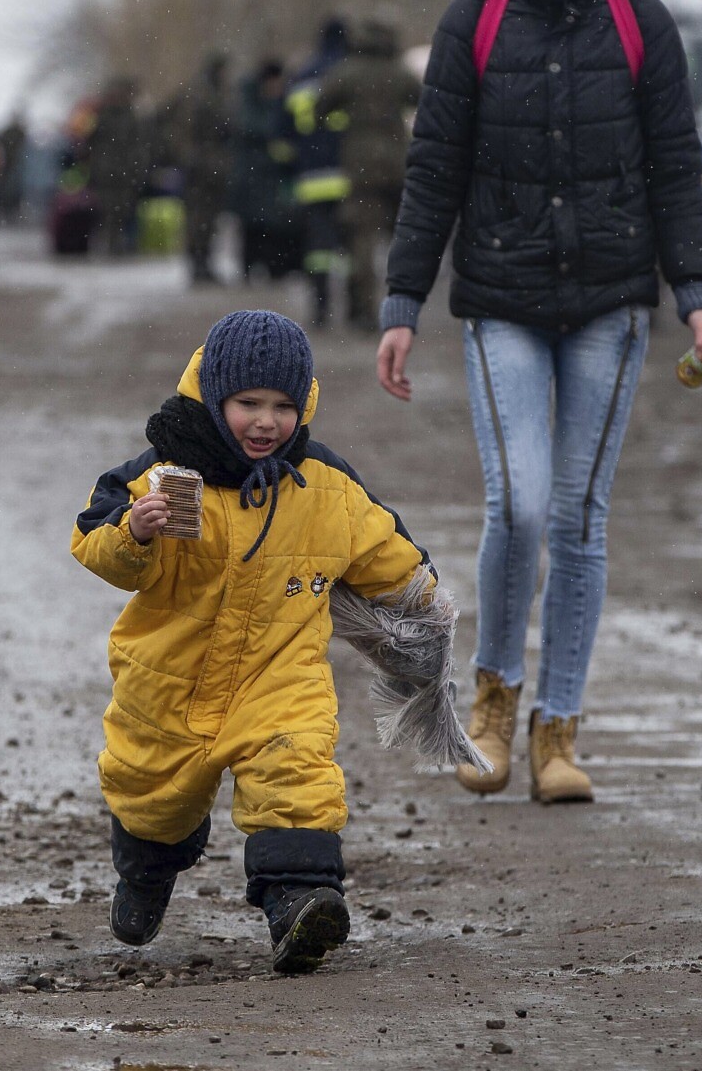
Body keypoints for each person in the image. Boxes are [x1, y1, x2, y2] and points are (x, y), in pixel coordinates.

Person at [375, 0, 702, 804]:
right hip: (498, 302)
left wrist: (695, 298)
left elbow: (673, 168)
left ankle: (558, 735)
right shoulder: (472, 25)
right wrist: (401, 301)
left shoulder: (638, 24)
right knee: (522, 505)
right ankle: (491, 704)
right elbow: (432, 171)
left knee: (577, 516)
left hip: (609, 307)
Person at [71, 311, 455, 974]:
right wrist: (135, 531)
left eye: (283, 406)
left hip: (280, 678)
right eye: (248, 403)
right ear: (215, 395)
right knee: (150, 792)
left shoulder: (320, 482)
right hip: (169, 678)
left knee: (297, 776)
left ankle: (301, 904)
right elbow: (95, 543)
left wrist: (424, 603)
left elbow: (380, 544)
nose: (265, 421)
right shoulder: (164, 470)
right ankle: (145, 871)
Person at [319, 21, 421, 325]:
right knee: (401, 238)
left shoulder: (347, 71)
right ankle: (400, 309)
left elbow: (319, 108)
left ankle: (362, 309)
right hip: (396, 161)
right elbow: (425, 101)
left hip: (359, 164)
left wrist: (344, 122)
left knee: (361, 239)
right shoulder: (399, 71)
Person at [284, 19, 352, 325]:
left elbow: (282, 130)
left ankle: (321, 308)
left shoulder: (302, 76)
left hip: (311, 177)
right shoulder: (350, 73)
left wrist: (296, 159)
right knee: (351, 244)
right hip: (349, 174)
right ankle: (355, 310)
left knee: (317, 247)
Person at [167, 53, 233, 284]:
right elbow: (182, 131)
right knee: (198, 218)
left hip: (213, 165)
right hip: (199, 167)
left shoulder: (215, 93)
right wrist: (189, 158)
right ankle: (197, 265)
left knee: (210, 218)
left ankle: (204, 263)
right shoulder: (198, 94)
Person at [232, 59, 297, 280]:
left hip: (267, 177)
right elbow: (256, 127)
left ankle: (271, 267)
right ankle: (250, 268)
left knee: (271, 227)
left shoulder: (270, 101)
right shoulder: (251, 102)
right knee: (253, 228)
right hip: (253, 175)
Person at [86, 77, 151, 256]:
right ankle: (113, 242)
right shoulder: (108, 116)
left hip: (118, 171)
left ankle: (116, 242)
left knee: (120, 209)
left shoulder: (121, 116)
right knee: (112, 209)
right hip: (112, 171)